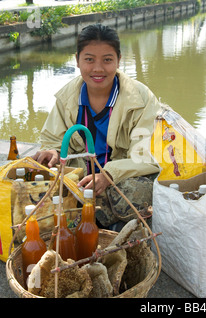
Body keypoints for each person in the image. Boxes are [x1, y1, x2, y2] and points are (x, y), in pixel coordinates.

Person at [32, 24, 166, 231]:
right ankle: (86, 221)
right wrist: (53, 152)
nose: (97, 69)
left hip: (119, 179)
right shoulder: (67, 97)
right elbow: (52, 140)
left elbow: (146, 156)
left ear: (118, 60)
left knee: (138, 191)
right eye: (89, 59)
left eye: (107, 60)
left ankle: (102, 224)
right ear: (77, 60)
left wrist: (109, 175)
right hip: (81, 179)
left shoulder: (141, 98)